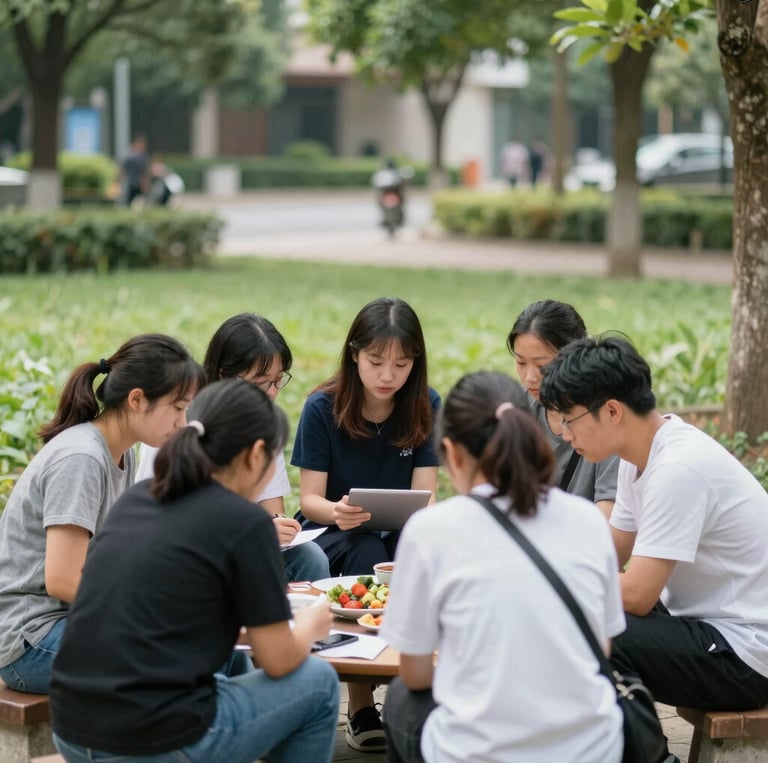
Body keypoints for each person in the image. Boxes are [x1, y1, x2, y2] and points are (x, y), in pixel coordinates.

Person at [49, 379, 339, 763]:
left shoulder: (140, 495)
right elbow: (279, 660)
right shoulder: (246, 523)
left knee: (234, 661)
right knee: (318, 684)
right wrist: (310, 626)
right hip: (151, 741)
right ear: (256, 454)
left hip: (71, 726)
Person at [380, 370, 625, 763]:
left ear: (452, 453)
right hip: (592, 750)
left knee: (400, 697)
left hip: (475, 754)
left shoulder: (430, 531)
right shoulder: (589, 521)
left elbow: (416, 674)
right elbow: (602, 648)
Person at [540, 336, 768, 747]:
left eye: (570, 420)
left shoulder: (678, 469)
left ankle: (646, 755)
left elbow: (639, 595)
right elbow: (609, 554)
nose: (565, 434)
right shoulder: (641, 456)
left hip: (746, 654)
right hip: (704, 623)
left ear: (611, 411)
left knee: (590, 628)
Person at [0, 334, 202, 694]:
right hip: (32, 641)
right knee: (178, 652)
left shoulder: (121, 454)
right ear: (137, 399)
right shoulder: (82, 458)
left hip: (71, 622)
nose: (183, 422)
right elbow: (62, 580)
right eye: (178, 407)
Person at [291, 296, 440, 752]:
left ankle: (413, 686)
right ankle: (359, 704)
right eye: (376, 361)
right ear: (354, 354)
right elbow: (309, 499)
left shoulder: (425, 404)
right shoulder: (323, 407)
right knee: (370, 557)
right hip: (336, 529)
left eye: (401, 363)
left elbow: (427, 496)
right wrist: (337, 511)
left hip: (398, 528)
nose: (388, 375)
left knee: (415, 557)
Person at [136, 313, 330, 584]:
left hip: (241, 546)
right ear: (223, 374)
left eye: (277, 381)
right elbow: (153, 515)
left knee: (309, 557)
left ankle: (295, 621)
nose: (271, 393)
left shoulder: (265, 422)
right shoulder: (176, 420)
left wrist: (278, 526)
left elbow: (272, 509)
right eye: (260, 382)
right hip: (183, 551)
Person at [507, 299, 618, 519]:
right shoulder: (519, 408)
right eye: (520, 363)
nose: (530, 378)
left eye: (543, 366)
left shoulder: (608, 417)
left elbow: (610, 517)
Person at [119, 133, 149, 206]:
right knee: (127, 202)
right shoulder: (129, 155)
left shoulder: (142, 156)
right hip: (129, 183)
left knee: (138, 202)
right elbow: (122, 169)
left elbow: (144, 172)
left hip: (137, 184)